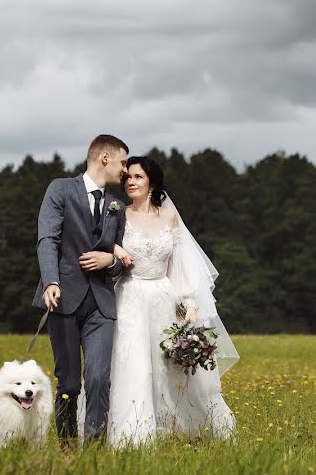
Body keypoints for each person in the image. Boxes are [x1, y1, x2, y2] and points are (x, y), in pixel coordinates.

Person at [108, 156, 238, 447]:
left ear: (152, 181)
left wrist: (189, 304)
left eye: (138, 177)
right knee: (133, 361)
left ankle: (171, 428)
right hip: (129, 294)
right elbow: (103, 244)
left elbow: (179, 265)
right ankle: (130, 433)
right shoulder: (119, 214)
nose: (131, 181)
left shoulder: (169, 217)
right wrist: (116, 249)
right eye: (128, 177)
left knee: (166, 364)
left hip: (163, 296)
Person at [32, 135, 129, 446]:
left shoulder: (118, 206)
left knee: (99, 379)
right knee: (70, 382)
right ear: (104, 157)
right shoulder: (60, 189)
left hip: (101, 305)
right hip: (63, 299)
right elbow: (48, 239)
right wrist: (50, 281)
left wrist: (109, 259)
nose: (125, 170)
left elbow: (121, 260)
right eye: (123, 162)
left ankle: (96, 448)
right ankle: (66, 446)